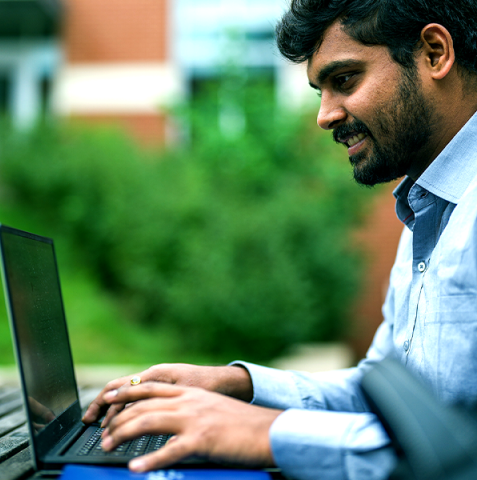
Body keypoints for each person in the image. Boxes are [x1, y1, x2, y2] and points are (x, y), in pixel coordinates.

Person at [83, 1, 477, 479]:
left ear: (434, 53)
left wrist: (262, 432)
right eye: (319, 92)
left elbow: (461, 452)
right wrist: (235, 386)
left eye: (345, 80)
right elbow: (381, 399)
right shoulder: (428, 211)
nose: (325, 116)